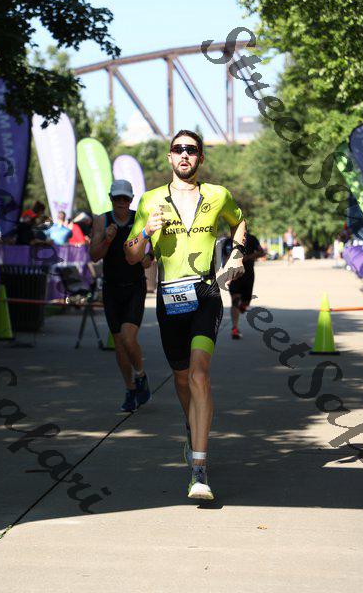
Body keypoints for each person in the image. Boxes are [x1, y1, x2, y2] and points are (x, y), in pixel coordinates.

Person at [124, 130, 246, 500]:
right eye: (178, 149)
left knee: (199, 375)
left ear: (200, 158)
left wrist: (237, 253)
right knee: (181, 379)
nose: (184, 155)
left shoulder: (218, 195)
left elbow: (239, 221)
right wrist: (146, 231)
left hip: (206, 293)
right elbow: (131, 254)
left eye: (191, 150)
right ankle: (193, 428)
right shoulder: (150, 200)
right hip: (169, 299)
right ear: (169, 157)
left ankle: (199, 469)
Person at [90, 179, 152, 412]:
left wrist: (149, 257)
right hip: (111, 288)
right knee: (119, 343)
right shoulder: (102, 220)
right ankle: (130, 389)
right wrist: (107, 239)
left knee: (128, 338)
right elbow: (94, 255)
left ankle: (141, 375)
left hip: (134, 286)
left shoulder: (139, 219)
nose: (121, 203)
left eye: (125, 198)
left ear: (131, 199)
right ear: (111, 198)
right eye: (117, 198)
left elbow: (155, 246)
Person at [222, 231, 265, 339]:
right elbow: (225, 258)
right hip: (234, 276)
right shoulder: (228, 242)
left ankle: (243, 306)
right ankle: (235, 328)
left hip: (248, 275)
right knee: (235, 301)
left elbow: (261, 252)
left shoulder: (251, 239)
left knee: (246, 302)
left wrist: (248, 257)